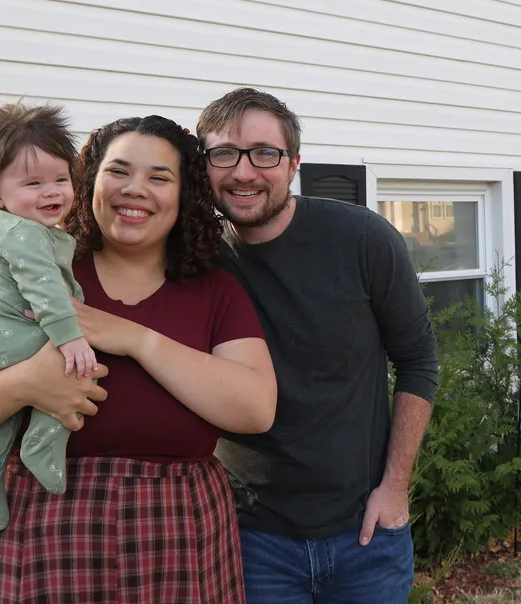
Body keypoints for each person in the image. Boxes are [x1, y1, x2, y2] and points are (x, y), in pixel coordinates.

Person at [0, 114, 276, 603]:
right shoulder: (28, 269)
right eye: (119, 171)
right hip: (33, 529)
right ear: (90, 180)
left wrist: (136, 338)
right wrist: (25, 383)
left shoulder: (216, 292)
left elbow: (256, 410)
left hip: (176, 537)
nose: (135, 190)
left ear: (184, 195)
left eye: (159, 177)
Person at [202, 87, 440, 603]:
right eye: (224, 153)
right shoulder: (196, 261)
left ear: (293, 165)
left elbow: (419, 361)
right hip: (251, 538)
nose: (244, 172)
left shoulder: (363, 240)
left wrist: (396, 488)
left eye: (265, 153)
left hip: (366, 536)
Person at [0, 102, 99, 531]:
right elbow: (44, 287)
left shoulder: (1, 225)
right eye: (33, 183)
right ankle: (43, 443)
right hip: (15, 341)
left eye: (60, 179)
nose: (52, 192)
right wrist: (70, 338)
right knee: (79, 369)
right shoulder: (29, 235)